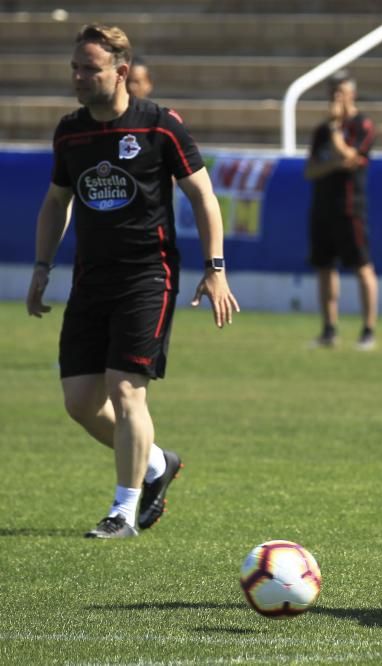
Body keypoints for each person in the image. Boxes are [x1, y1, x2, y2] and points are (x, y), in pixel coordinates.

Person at [25, 24, 239, 539]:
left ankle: (124, 510)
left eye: (90, 68)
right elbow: (57, 202)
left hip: (148, 275)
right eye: (75, 68)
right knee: (80, 402)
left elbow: (203, 196)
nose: (79, 77)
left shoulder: (159, 125)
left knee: (126, 390)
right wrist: (41, 267)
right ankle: (158, 464)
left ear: (120, 72)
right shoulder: (70, 131)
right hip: (90, 279)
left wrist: (215, 269)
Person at [304, 70, 378, 350]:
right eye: (332, 92)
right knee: (324, 267)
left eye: (340, 92)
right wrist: (335, 163)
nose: (335, 98)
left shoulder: (362, 125)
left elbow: (351, 156)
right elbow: (310, 170)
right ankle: (329, 329)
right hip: (322, 206)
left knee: (362, 267)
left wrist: (336, 131)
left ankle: (368, 330)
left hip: (350, 207)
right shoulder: (321, 131)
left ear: (352, 94)